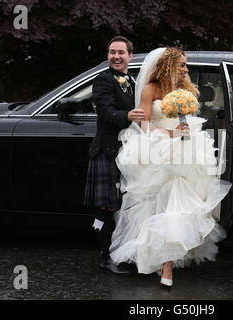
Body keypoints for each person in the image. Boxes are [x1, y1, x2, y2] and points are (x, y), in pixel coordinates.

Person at [109, 47, 231, 287]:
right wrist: (168, 132)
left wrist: (182, 130)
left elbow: (186, 118)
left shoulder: (185, 90)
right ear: (168, 66)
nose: (186, 69)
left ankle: (169, 261)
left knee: (182, 204)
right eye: (182, 65)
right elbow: (143, 123)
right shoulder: (150, 89)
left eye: (186, 65)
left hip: (187, 149)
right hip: (159, 148)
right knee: (163, 206)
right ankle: (164, 264)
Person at [84, 36, 147, 275]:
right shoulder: (103, 80)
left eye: (121, 52)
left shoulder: (131, 80)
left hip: (125, 151)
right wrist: (129, 115)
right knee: (105, 207)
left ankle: (119, 252)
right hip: (107, 151)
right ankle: (103, 258)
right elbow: (107, 113)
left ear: (131, 56)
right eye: (112, 52)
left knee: (120, 206)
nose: (116, 56)